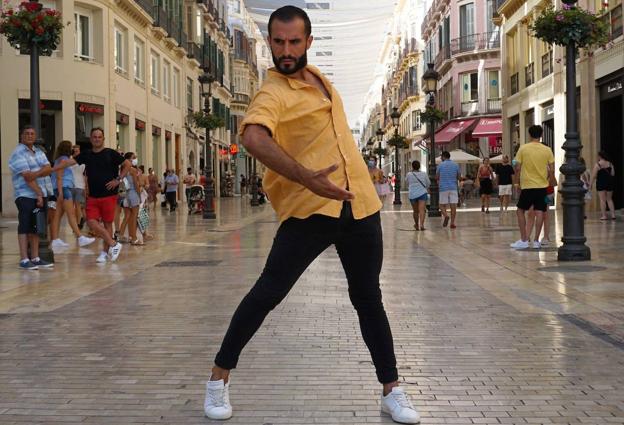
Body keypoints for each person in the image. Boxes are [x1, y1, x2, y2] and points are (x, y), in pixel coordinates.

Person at [203, 7, 420, 425]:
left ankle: (392, 390)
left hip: (360, 207)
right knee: (268, 293)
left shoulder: (318, 78)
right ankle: (218, 378)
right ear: (269, 42)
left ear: (307, 42)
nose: (286, 51)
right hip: (310, 211)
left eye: (294, 42)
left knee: (368, 299)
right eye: (278, 42)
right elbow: (251, 136)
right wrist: (306, 178)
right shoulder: (273, 92)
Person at [57, 127, 129, 262]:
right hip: (93, 196)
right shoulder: (86, 154)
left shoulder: (110, 153)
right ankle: (113, 244)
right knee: (91, 222)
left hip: (108, 195)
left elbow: (127, 164)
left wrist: (118, 180)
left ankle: (104, 252)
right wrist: (51, 167)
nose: (97, 139)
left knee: (108, 224)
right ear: (91, 139)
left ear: (103, 139)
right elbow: (69, 162)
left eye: (99, 137)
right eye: (94, 137)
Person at [8, 125, 55, 270]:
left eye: (32, 134)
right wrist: (39, 193)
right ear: (21, 136)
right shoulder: (18, 153)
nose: (29, 136)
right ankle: (24, 259)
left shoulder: (38, 151)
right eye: (27, 133)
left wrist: (36, 173)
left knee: (36, 226)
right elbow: (27, 177)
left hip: (40, 194)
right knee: (25, 225)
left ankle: (35, 258)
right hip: (25, 195)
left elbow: (48, 169)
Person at [510, 125, 555, 250]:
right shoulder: (547, 150)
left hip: (528, 186)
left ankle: (524, 239)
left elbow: (517, 167)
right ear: (541, 135)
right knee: (540, 211)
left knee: (520, 210)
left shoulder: (523, 148)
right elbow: (551, 169)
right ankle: (536, 241)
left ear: (530, 135)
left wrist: (516, 183)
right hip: (542, 186)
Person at [49, 140, 95, 249]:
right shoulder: (64, 160)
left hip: (62, 189)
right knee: (71, 214)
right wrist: (60, 192)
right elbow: (59, 176)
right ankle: (80, 237)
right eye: (71, 148)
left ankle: (55, 239)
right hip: (64, 189)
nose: (72, 150)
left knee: (58, 216)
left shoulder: (59, 160)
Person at [436, 150, 461, 229]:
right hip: (453, 187)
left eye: (441, 157)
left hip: (443, 188)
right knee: (453, 206)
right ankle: (452, 223)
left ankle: (446, 216)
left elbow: (437, 177)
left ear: (443, 157)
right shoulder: (456, 165)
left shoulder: (440, 165)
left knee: (441, 205)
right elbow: (459, 177)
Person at [590, 151, 616, 220]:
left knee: (602, 200)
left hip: (601, 183)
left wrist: (591, 184)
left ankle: (604, 216)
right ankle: (613, 215)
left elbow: (593, 175)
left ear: (600, 156)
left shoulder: (598, 164)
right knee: (609, 199)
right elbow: (613, 174)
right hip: (609, 183)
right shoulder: (610, 164)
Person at [406, 160, 430, 230]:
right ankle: (422, 225)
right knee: (422, 210)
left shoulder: (409, 174)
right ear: (419, 166)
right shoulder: (424, 174)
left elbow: (407, 182)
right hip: (422, 193)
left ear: (412, 166)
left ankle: (416, 224)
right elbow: (428, 183)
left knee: (415, 211)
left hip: (412, 194)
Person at [70, 145, 87, 230]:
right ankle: (76, 223)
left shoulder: (83, 162)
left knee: (77, 206)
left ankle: (78, 223)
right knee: (71, 207)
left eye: (77, 151)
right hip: (70, 186)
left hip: (79, 186)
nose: (76, 153)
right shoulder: (69, 161)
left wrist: (86, 188)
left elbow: (85, 175)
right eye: (74, 151)